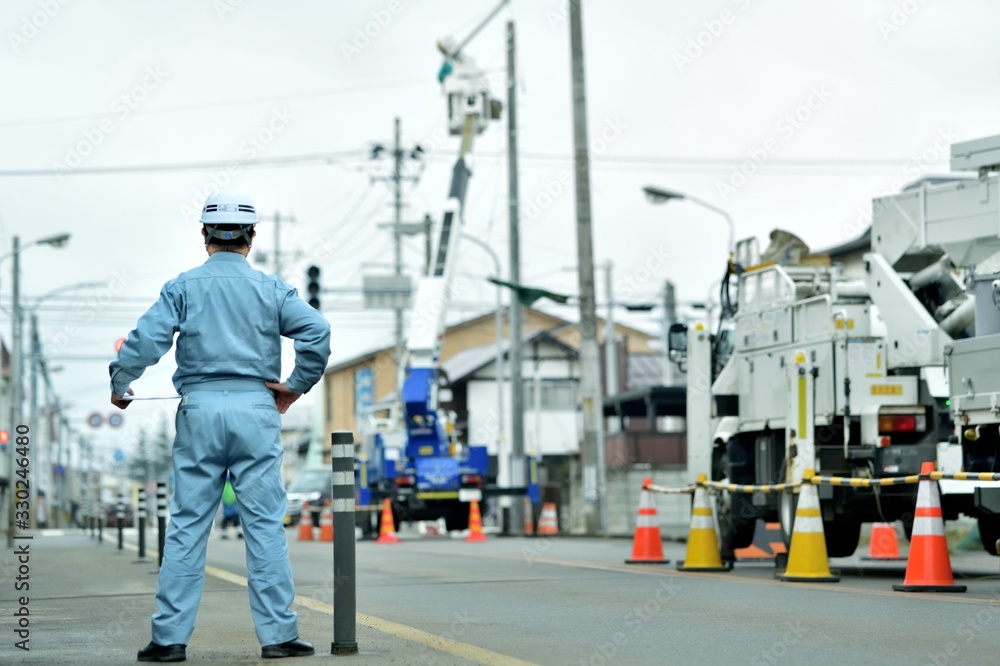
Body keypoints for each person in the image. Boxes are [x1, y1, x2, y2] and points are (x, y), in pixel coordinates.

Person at [109, 189, 331, 662]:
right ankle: (279, 637)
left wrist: (121, 381)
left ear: (204, 235)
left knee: (188, 524)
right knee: (264, 525)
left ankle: (169, 640)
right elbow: (317, 331)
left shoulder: (183, 287)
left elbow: (146, 340)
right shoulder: (272, 289)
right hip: (257, 408)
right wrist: (296, 385)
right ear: (252, 236)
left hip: (200, 410)